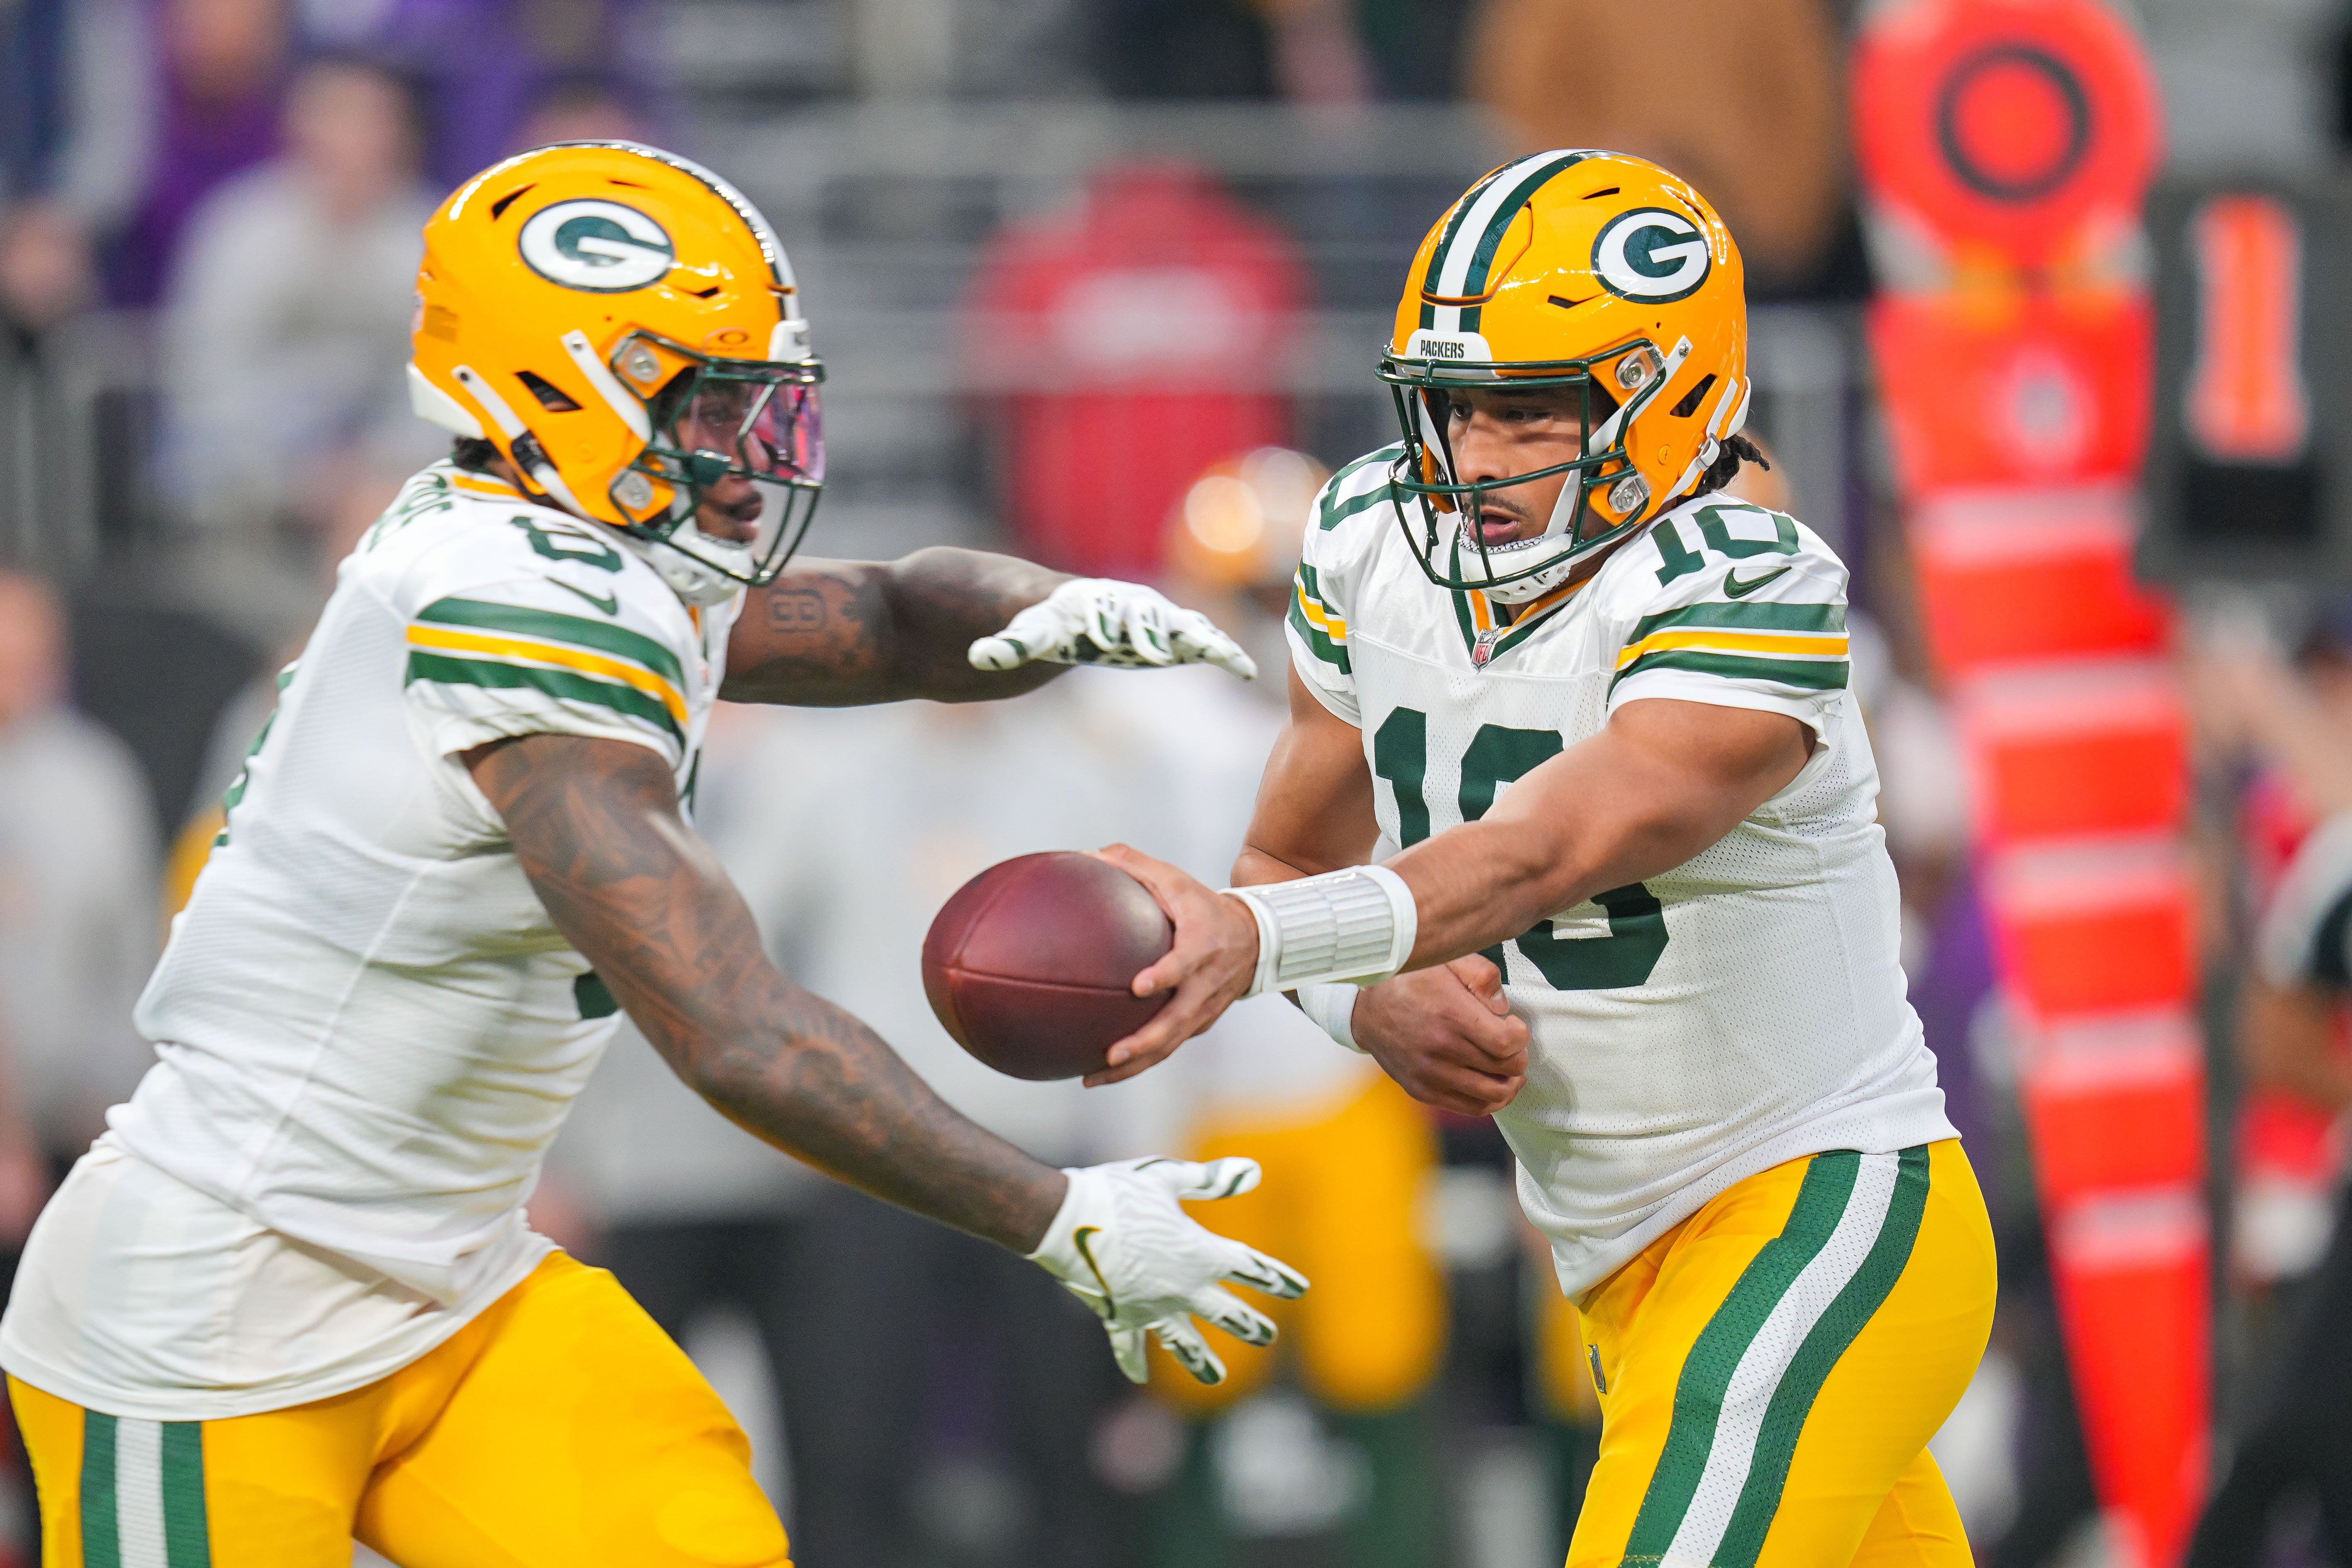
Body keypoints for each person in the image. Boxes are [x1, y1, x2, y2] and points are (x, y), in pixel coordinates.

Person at [0, 140, 1308, 1568]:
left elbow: (874, 614)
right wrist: (1062, 1214)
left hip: (454, 1284)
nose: (753, 446)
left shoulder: (563, 550)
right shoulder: (515, 606)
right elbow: (736, 1030)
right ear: (557, 386)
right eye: (708, 397)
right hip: (220, 1301)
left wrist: (1055, 609)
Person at [1095, 150, 1995, 1565]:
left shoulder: (1749, 586)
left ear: (1668, 396)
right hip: (1621, 1266)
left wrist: (1271, 947)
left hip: (1815, 1210)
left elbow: (1549, 845)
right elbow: (1280, 854)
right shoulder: (1363, 541)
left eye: (1526, 414)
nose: (1473, 461)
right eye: (1449, 413)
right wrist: (1364, 998)